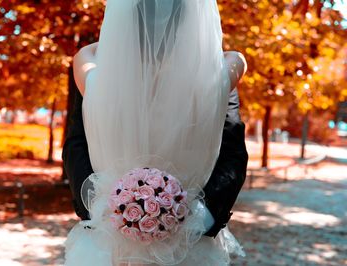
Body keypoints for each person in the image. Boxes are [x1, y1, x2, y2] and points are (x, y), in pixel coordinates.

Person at [63, 1, 247, 265]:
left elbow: (74, 147)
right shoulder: (218, 81)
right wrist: (190, 218)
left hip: (112, 246)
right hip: (185, 250)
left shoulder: (93, 76)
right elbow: (233, 154)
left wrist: (108, 210)